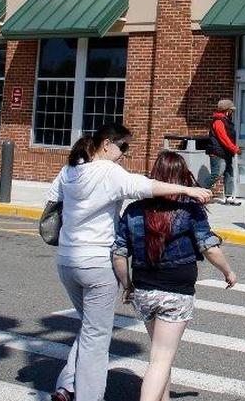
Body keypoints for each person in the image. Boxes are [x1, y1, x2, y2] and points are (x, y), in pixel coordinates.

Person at [48, 124, 212, 401]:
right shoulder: (109, 172)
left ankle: (66, 386)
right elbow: (146, 187)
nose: (124, 153)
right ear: (107, 144)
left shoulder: (69, 170)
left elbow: (53, 201)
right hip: (97, 262)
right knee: (96, 337)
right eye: (123, 147)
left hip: (66, 260)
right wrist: (189, 190)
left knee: (90, 327)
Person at [112, 150, 237, 401]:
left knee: (160, 355)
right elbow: (209, 247)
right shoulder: (189, 208)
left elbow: (119, 254)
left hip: (144, 290)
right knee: (161, 359)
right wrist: (228, 271)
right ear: (182, 177)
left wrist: (127, 285)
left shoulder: (134, 210)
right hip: (176, 292)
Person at [205, 99, 241, 205]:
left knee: (229, 173)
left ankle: (229, 197)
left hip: (226, 152)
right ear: (227, 110)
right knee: (216, 174)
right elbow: (223, 138)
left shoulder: (226, 121)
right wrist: (234, 149)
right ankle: (199, 192)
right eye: (231, 110)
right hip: (218, 152)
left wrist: (232, 148)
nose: (232, 112)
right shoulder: (218, 121)